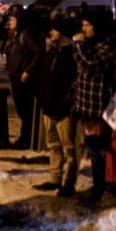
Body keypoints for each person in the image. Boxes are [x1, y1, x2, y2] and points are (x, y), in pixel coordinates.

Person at [72, 9, 116, 201]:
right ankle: (99, 186)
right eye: (82, 25)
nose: (83, 30)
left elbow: (90, 66)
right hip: (87, 108)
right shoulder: (93, 44)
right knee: (94, 148)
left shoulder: (109, 46)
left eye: (87, 25)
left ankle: (105, 188)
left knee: (102, 150)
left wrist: (78, 45)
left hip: (101, 109)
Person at [34, 16, 80, 196]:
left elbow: (74, 82)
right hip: (48, 107)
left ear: (62, 32)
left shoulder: (72, 54)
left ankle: (68, 183)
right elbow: (44, 76)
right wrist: (41, 96)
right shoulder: (52, 51)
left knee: (69, 149)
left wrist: (67, 101)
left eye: (53, 29)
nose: (50, 32)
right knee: (53, 145)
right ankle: (55, 179)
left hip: (63, 110)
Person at [5, 9, 44, 149]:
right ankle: (25, 136)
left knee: (25, 110)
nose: (10, 22)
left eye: (13, 20)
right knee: (21, 110)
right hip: (16, 77)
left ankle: (26, 139)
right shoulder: (17, 35)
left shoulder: (26, 35)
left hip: (23, 79)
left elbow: (38, 52)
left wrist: (28, 71)